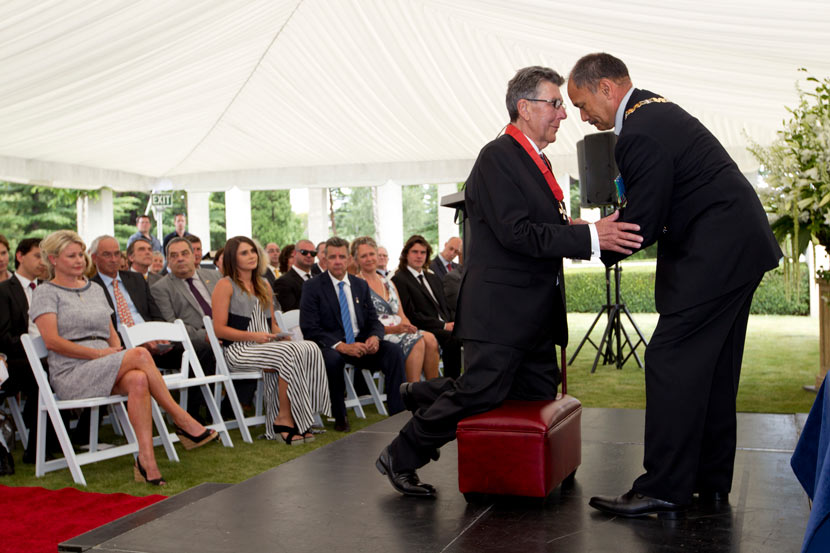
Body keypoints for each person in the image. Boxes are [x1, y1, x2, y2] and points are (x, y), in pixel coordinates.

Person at [376, 65, 641, 497]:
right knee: (481, 392)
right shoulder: (499, 156)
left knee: (533, 392)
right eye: (555, 104)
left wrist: (586, 229)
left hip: (532, 314)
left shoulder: (535, 160)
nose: (563, 114)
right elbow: (516, 234)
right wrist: (591, 234)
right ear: (524, 107)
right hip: (501, 311)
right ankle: (401, 454)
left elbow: (541, 228)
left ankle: (430, 397)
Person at [567, 53, 781, 518]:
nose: (582, 117)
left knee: (670, 360)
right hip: (739, 250)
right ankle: (710, 479)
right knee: (715, 368)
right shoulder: (656, 110)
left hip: (715, 255)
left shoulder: (639, 132)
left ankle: (662, 487)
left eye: (582, 104)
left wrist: (579, 241)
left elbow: (641, 223)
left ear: (605, 87)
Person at [30, 230, 217, 486]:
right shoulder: (46, 292)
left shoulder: (93, 288)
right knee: (139, 353)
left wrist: (114, 352)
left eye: (80, 255)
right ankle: (180, 418)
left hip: (105, 361)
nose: (78, 260)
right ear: (53, 260)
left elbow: (112, 334)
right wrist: (99, 354)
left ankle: (146, 462)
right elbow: (52, 341)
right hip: (72, 371)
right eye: (70, 255)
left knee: (139, 379)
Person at [211, 236, 330, 444]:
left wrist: (280, 335)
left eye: (253, 251)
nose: (252, 256)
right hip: (239, 350)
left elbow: (271, 324)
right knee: (288, 353)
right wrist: (254, 336)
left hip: (266, 345)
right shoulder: (225, 285)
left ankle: (302, 415)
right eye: (244, 253)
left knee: (309, 347)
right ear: (232, 258)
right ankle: (283, 418)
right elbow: (219, 329)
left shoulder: (263, 284)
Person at [90, 235, 218, 422]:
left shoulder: (135, 280)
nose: (113, 259)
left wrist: (159, 336)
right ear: (94, 258)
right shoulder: (92, 287)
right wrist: (139, 340)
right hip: (123, 347)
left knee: (202, 351)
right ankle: (179, 416)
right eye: (107, 255)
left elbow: (156, 314)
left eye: (117, 254)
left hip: (155, 343)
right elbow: (101, 328)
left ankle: (193, 412)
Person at [300, 237, 406, 432]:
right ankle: (340, 416)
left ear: (349, 259)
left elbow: (374, 321)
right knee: (333, 360)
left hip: (360, 342)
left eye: (342, 256)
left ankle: (398, 412)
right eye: (333, 257)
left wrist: (375, 337)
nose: (338, 261)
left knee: (393, 352)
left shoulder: (359, 285)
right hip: (330, 345)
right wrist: (342, 346)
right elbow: (310, 328)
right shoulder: (312, 286)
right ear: (324, 259)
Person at [352, 236, 440, 383]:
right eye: (363, 256)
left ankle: (432, 391)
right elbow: (362, 323)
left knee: (430, 338)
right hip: (377, 334)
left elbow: (400, 313)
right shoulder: (355, 285)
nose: (369, 259)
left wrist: (406, 326)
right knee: (416, 341)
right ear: (356, 260)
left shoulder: (388, 282)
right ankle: (412, 393)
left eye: (372, 254)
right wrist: (396, 329)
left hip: (398, 329)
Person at [0, 238, 53, 463]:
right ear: (20, 257)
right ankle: (37, 447)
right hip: (16, 359)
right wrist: (35, 349)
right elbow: (4, 337)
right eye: (37, 256)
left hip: (44, 354)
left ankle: (49, 440)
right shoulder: (5, 291)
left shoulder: (46, 288)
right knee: (44, 372)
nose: (42, 262)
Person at [391, 235, 462, 379]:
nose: (419, 256)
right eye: (415, 252)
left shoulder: (432, 277)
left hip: (444, 325)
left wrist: (454, 323)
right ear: (406, 254)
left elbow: (446, 307)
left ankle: (473, 381)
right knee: (452, 338)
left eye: (423, 252)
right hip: (424, 327)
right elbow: (411, 314)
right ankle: (451, 384)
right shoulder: (399, 279)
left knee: (471, 333)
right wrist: (443, 326)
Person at [273, 240, 316, 312]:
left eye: (313, 253)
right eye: (304, 252)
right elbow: (292, 312)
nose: (309, 255)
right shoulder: (283, 282)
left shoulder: (320, 279)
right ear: (295, 254)